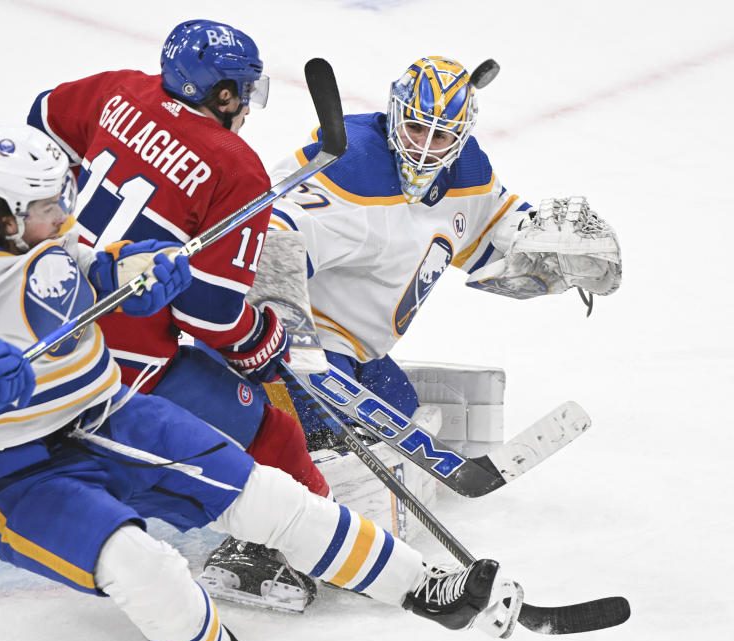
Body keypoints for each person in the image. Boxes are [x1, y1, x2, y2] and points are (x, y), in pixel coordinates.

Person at [0, 123, 523, 641]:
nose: (64, 215)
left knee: (267, 495)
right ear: (2, 213)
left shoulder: (36, 233)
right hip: (17, 474)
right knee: (141, 565)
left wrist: (135, 270)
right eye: (47, 207)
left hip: (110, 414)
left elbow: (83, 271)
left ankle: (427, 590)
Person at [26, 19, 331, 610]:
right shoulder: (235, 165)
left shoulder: (119, 90)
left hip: (30, 319)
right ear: (222, 93)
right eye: (242, 90)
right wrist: (260, 342)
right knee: (272, 430)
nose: (245, 105)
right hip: (119, 362)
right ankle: (320, 547)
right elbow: (211, 316)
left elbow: (41, 120)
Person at [266, 56, 622, 442]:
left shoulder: (466, 175)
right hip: (293, 341)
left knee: (399, 409)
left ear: (461, 135)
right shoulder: (349, 165)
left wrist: (548, 246)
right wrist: (291, 346)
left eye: (440, 136)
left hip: (359, 350)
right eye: (416, 127)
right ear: (396, 113)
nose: (423, 149)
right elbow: (267, 238)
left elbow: (496, 227)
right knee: (317, 434)